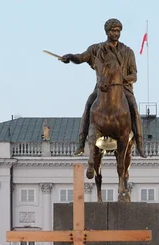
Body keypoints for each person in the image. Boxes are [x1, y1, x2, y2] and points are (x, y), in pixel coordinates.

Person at [60, 18, 147, 158]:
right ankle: (81, 143)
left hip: (123, 89)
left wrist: (121, 79)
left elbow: (134, 75)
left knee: (134, 108)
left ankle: (140, 144)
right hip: (102, 88)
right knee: (88, 105)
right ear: (107, 32)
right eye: (113, 31)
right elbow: (81, 58)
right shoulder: (96, 49)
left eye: (118, 31)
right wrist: (70, 57)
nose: (116, 34)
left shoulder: (127, 51)